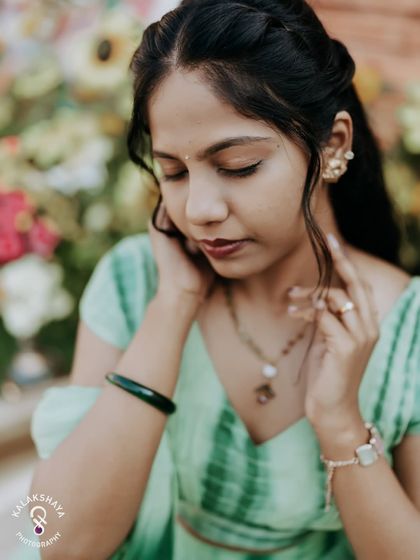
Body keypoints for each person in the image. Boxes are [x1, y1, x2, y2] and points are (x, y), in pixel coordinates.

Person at [29, 1, 420, 559]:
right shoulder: (133, 283)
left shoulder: (410, 332)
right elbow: (56, 541)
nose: (200, 209)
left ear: (332, 146)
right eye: (174, 172)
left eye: (238, 166)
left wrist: (339, 425)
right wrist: (172, 308)